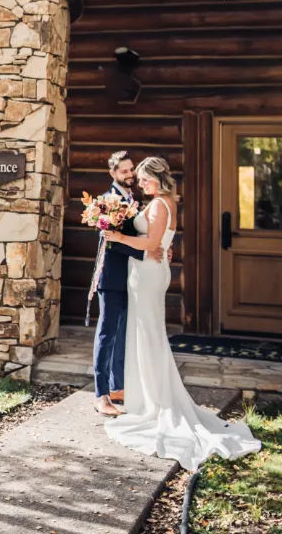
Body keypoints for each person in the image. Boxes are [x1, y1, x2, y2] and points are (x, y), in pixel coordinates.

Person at [101, 156, 261, 471]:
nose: (141, 183)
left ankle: (158, 405)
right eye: (140, 179)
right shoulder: (164, 202)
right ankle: (147, 399)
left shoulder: (160, 204)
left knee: (150, 338)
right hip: (148, 271)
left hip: (148, 274)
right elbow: (159, 242)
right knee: (145, 336)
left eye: (146, 178)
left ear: (159, 178)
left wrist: (119, 237)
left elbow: (151, 242)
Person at [91, 150, 164, 417]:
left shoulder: (132, 197)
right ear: (113, 174)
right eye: (123, 171)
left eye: (131, 169)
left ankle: (117, 386)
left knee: (123, 334)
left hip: (131, 277)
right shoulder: (109, 201)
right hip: (111, 277)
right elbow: (112, 241)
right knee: (107, 334)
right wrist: (145, 251)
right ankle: (101, 395)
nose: (130, 174)